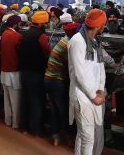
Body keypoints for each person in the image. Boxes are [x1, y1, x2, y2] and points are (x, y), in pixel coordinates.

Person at [68, 9, 107, 155]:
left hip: (94, 94)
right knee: (88, 138)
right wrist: (93, 95)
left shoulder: (95, 42)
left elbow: (100, 67)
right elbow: (79, 74)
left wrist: (101, 90)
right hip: (82, 96)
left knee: (83, 134)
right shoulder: (77, 41)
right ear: (99, 25)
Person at [44, 22, 80, 146]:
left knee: (55, 109)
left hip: (49, 78)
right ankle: (69, 137)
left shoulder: (63, 40)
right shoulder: (69, 45)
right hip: (57, 81)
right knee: (64, 110)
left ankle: (55, 135)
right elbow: (72, 65)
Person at [19, 11, 51, 135]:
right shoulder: (41, 36)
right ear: (42, 23)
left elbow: (19, 47)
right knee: (37, 100)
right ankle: (36, 129)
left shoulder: (25, 33)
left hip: (24, 71)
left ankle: (24, 127)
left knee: (25, 98)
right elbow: (47, 51)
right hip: (36, 72)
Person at [0, 15, 22, 129]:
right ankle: (15, 123)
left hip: (4, 71)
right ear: (15, 24)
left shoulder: (4, 34)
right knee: (15, 100)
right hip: (14, 72)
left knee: (6, 99)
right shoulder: (16, 36)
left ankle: (7, 120)